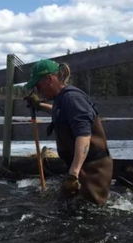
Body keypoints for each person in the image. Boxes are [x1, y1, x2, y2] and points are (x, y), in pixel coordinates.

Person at [24, 59, 113, 205]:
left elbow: (83, 136)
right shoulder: (63, 99)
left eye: (38, 86)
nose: (38, 91)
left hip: (93, 169)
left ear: (49, 79)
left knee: (92, 214)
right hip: (83, 166)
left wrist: (73, 174)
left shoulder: (72, 98)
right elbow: (60, 112)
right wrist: (39, 105)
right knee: (69, 208)